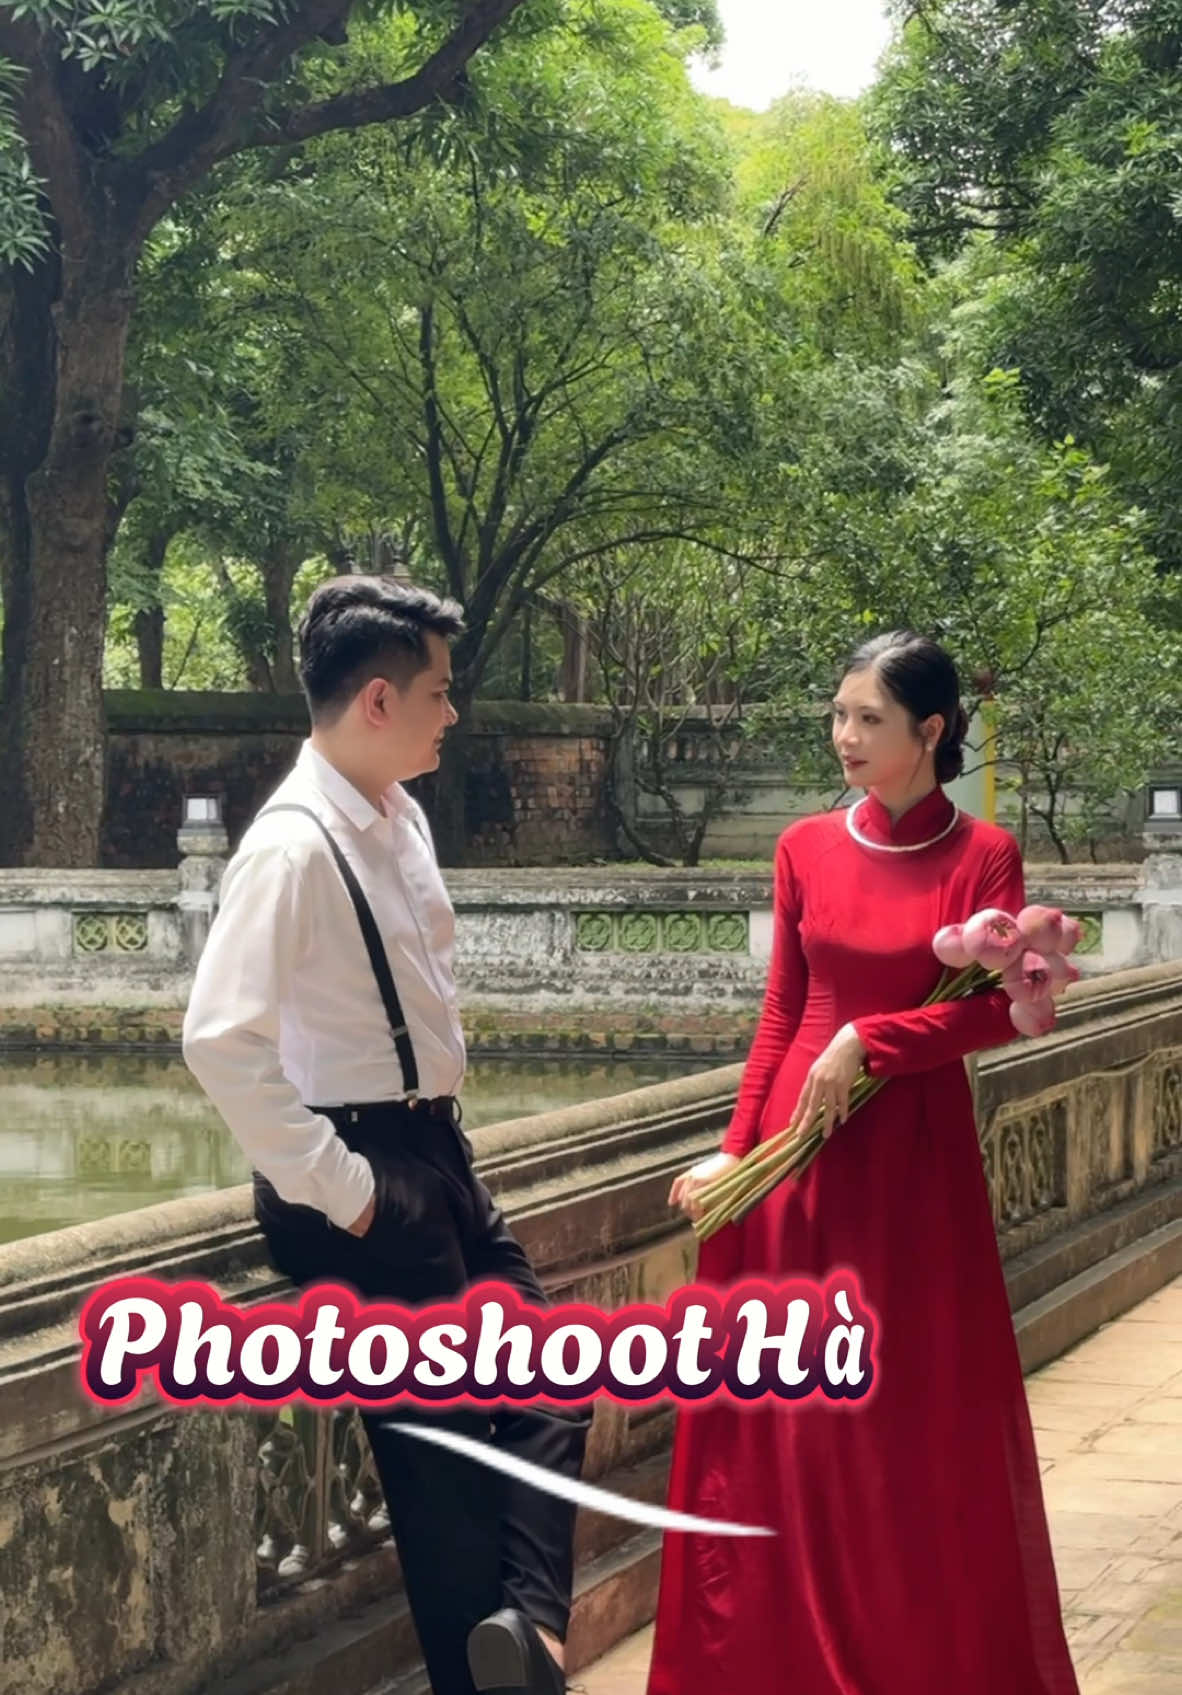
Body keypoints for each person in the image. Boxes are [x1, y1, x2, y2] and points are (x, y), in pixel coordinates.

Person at [648, 631, 1079, 1695]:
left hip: (909, 1168)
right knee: (785, 1424)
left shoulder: (985, 856)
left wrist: (873, 1042)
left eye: (868, 720)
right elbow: (783, 1007)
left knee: (900, 1422)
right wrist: (736, 1147)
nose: (844, 736)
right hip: (797, 1161)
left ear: (930, 732)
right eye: (838, 716)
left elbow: (988, 1016)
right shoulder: (802, 846)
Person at [183, 576, 589, 1695]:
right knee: (443, 1474)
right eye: (439, 694)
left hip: (436, 1156)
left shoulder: (395, 817)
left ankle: (533, 1639)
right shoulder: (292, 848)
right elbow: (220, 1041)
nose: (452, 714)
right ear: (376, 700)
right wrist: (347, 1190)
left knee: (555, 1380)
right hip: (363, 1183)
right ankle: (501, 1665)